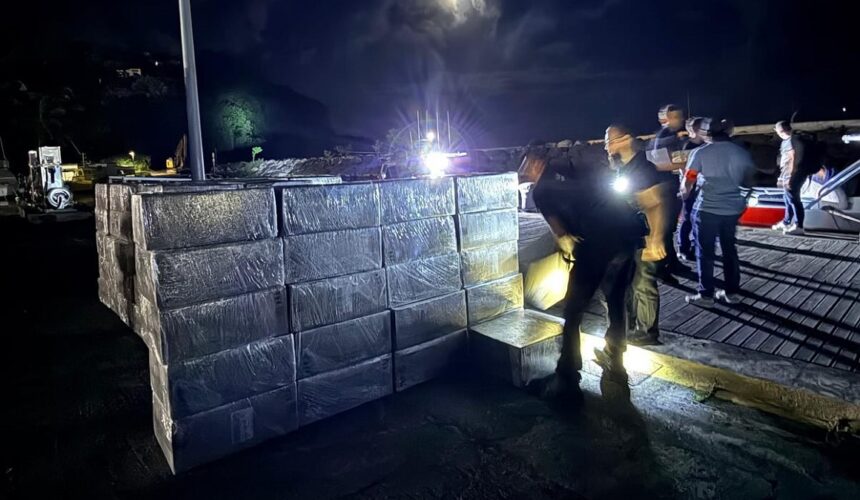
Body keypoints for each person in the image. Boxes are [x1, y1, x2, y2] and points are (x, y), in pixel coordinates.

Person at [522, 148, 647, 399]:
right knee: (615, 300)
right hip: (629, 238)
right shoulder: (578, 172)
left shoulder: (542, 189)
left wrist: (567, 251)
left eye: (525, 164)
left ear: (537, 162)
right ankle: (616, 360)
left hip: (597, 244)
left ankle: (567, 376)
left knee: (573, 310)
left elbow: (562, 235)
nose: (523, 170)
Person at [682, 119, 756, 307]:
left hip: (706, 208)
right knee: (730, 250)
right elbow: (749, 181)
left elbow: (689, 179)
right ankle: (732, 293)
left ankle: (706, 294)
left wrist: (684, 194)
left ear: (708, 134)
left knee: (705, 252)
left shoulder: (700, 153)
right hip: (732, 209)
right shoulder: (741, 152)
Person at [605, 124, 666, 346]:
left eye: (610, 141)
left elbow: (653, 203)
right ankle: (629, 327)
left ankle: (648, 332)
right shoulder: (623, 167)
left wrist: (656, 238)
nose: (607, 147)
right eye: (606, 142)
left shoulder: (642, 168)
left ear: (626, 139)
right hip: (627, 235)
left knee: (643, 283)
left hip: (643, 236)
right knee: (628, 283)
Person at [649, 104, 689, 282]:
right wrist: (685, 163)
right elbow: (658, 164)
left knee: (668, 230)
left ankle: (671, 262)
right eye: (676, 117)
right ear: (665, 119)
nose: (679, 120)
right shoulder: (664, 137)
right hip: (664, 188)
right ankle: (660, 268)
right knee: (663, 230)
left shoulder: (668, 136)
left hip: (667, 187)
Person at [677, 117, 706, 262]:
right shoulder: (687, 146)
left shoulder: (705, 145)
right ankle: (683, 248)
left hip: (702, 187)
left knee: (699, 219)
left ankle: (696, 248)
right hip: (690, 186)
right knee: (687, 218)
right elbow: (683, 168)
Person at [773, 121, 807, 235]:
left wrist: (790, 177)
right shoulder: (786, 141)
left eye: (777, 131)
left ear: (781, 131)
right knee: (788, 199)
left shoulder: (792, 141)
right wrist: (782, 177)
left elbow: (793, 159)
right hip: (788, 174)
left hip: (793, 175)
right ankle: (787, 222)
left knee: (794, 200)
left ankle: (799, 226)